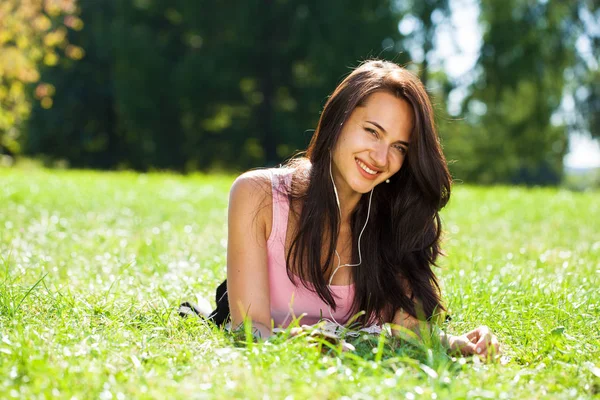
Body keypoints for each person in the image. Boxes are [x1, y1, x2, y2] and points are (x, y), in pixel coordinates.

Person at [195, 59, 499, 359]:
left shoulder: (397, 217)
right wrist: (296, 343)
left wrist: (458, 341)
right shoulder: (257, 196)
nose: (381, 158)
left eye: (399, 147)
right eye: (372, 131)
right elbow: (247, 329)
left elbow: (405, 329)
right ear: (338, 120)